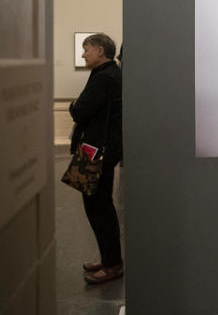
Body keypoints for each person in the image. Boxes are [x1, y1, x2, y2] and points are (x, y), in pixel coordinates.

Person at [69, 32, 124, 284]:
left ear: (100, 51)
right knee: (96, 206)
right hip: (95, 149)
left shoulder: (106, 77)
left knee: (99, 207)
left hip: (96, 151)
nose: (83, 54)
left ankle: (112, 264)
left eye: (86, 49)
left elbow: (80, 110)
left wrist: (73, 106)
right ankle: (108, 259)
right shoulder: (107, 75)